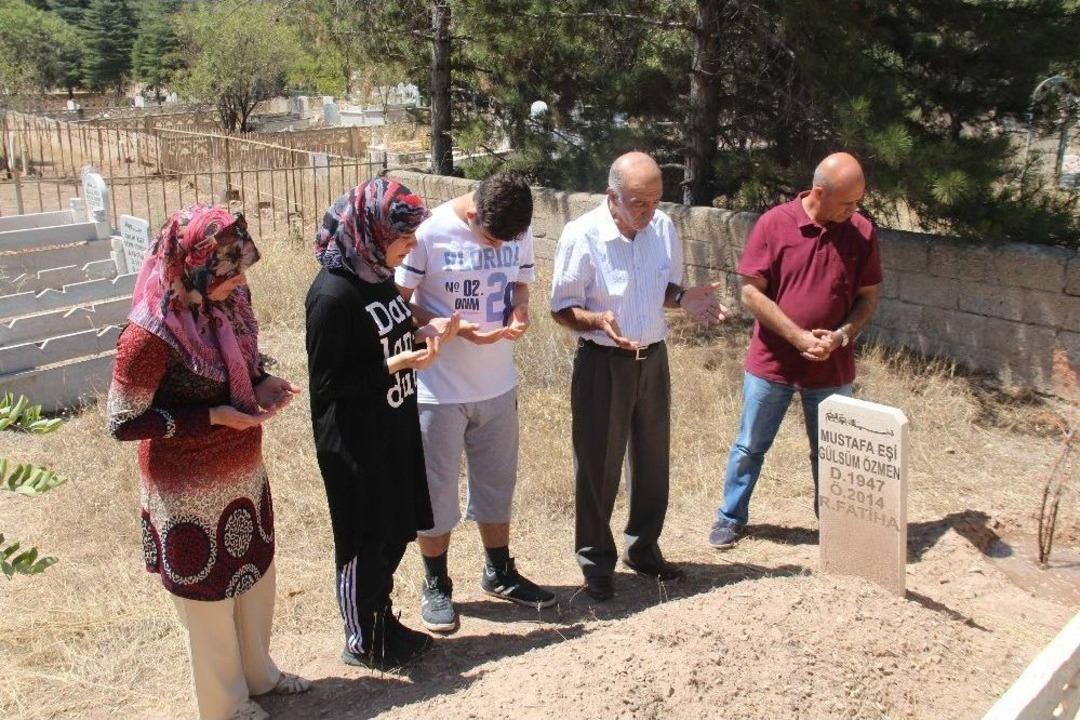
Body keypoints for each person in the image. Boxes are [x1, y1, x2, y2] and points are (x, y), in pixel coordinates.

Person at [107, 206, 310, 720]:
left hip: (241, 470)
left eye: (241, 269)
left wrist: (261, 382)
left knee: (254, 578)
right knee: (207, 602)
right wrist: (212, 417)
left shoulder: (230, 299)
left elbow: (241, 360)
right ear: (194, 267)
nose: (240, 281)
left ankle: (259, 673)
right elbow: (124, 421)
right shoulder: (150, 333)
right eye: (228, 271)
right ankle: (225, 704)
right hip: (186, 489)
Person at [550, 151, 727, 601]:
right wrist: (596, 320)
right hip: (603, 361)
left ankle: (643, 549)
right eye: (638, 202)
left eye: (655, 200)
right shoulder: (581, 235)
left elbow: (662, 288)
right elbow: (561, 307)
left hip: (654, 355)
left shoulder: (663, 229)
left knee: (652, 461)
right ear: (612, 197)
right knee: (598, 466)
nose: (649, 211)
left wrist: (684, 298)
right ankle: (595, 561)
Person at [306, 178, 459, 670]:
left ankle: (382, 619)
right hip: (355, 443)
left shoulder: (375, 276)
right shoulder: (332, 296)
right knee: (363, 541)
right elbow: (329, 383)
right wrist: (396, 366)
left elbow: (391, 325)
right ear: (372, 232)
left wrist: (424, 331)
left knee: (394, 532)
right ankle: (362, 638)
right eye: (404, 238)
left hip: (393, 426)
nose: (411, 247)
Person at [395, 172, 555, 633]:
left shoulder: (515, 228)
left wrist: (520, 310)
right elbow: (399, 302)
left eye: (507, 240)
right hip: (438, 389)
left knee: (496, 483)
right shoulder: (428, 232)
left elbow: (521, 284)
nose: (498, 247)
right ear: (471, 214)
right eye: (490, 239)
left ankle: (499, 571)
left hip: (498, 385)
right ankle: (436, 583)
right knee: (436, 490)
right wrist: (455, 327)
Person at [707, 152, 882, 550]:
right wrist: (798, 337)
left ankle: (836, 526)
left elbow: (868, 297)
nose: (855, 210)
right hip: (772, 363)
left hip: (832, 367)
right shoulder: (774, 224)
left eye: (858, 202)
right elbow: (751, 293)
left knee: (833, 452)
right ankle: (730, 517)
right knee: (750, 445)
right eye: (847, 202)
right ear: (819, 193)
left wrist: (840, 336)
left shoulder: (861, 232)